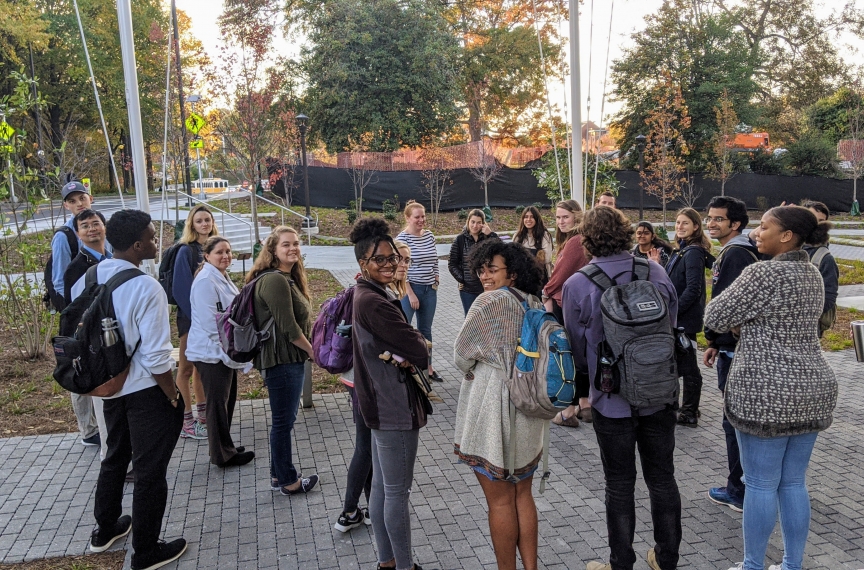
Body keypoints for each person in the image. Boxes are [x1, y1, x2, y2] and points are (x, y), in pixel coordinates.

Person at [705, 206, 837, 570]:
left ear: (787, 236)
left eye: (764, 227)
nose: (756, 233)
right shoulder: (812, 272)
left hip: (766, 393)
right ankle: (792, 565)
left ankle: (752, 565)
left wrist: (741, 325)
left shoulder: (761, 273)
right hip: (814, 387)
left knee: (761, 485)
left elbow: (714, 316)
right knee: (794, 483)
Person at [561, 206, 681, 570]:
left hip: (610, 398)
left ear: (587, 239)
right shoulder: (655, 271)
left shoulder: (579, 284)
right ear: (628, 233)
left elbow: (576, 348)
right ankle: (666, 558)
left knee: (619, 484)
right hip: (659, 393)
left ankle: (621, 562)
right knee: (662, 478)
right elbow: (670, 325)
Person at [72, 209, 187, 570]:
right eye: (152, 237)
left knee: (115, 457)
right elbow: (155, 358)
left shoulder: (89, 276)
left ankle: (105, 529)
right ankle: (147, 552)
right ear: (137, 245)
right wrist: (172, 395)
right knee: (150, 473)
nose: (156, 242)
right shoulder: (146, 287)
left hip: (107, 387)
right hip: (143, 391)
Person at [454, 239, 547, 570]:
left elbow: (461, 356)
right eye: (480, 269)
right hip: (529, 410)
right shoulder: (533, 301)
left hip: (495, 412)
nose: (484, 275)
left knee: (500, 501)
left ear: (513, 273)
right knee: (523, 495)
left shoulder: (488, 302)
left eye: (492, 269)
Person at [351, 218, 431, 570]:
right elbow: (419, 347)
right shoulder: (374, 301)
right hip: (392, 405)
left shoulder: (366, 293)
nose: (388, 264)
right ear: (362, 264)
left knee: (383, 488)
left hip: (377, 402)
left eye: (392, 258)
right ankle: (405, 565)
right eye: (379, 259)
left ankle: (387, 561)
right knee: (396, 493)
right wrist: (418, 343)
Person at [333, 239, 412, 534]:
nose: (397, 264)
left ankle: (364, 507)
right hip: (363, 381)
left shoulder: (380, 289)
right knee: (365, 447)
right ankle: (350, 510)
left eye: (401, 259)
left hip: (362, 378)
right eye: (389, 259)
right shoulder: (370, 294)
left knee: (367, 447)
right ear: (365, 264)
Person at [247, 226, 319, 496]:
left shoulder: (286, 278)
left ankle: (278, 476)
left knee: (283, 421)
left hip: (286, 360)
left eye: (296, 244)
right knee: (282, 423)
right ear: (273, 250)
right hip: (282, 361)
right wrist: (313, 352)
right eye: (286, 245)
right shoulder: (274, 280)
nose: (293, 249)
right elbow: (289, 329)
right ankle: (289, 481)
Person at [702, 196, 759, 513]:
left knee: (734, 422)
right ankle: (744, 485)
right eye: (709, 218)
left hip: (735, 353)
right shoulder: (741, 250)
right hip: (730, 347)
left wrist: (715, 335)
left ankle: (738, 489)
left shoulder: (736, 254)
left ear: (735, 223)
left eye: (718, 219)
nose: (711, 223)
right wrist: (714, 341)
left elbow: (725, 305)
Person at [186, 236, 254, 468]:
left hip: (223, 350)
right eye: (219, 252)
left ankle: (226, 446)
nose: (225, 256)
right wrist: (231, 354)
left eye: (228, 251)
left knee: (227, 402)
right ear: (207, 255)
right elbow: (210, 324)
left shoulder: (220, 276)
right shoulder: (206, 280)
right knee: (217, 405)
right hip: (212, 352)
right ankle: (221, 455)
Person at [63, 208, 111, 453]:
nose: (92, 229)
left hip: (114, 338)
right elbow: (75, 310)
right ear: (78, 233)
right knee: (102, 401)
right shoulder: (77, 267)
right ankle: (107, 448)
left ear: (105, 227)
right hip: (93, 341)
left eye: (96, 223)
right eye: (85, 226)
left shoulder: (113, 259)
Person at [173, 204, 219, 440]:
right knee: (186, 368)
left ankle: (204, 416)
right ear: (192, 224)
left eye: (207, 220)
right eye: (199, 220)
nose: (204, 224)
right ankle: (186, 420)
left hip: (209, 320)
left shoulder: (215, 248)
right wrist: (197, 318)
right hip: (190, 319)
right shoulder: (186, 251)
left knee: (202, 367)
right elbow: (180, 290)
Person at [542, 199, 590, 427]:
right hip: (577, 303)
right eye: (558, 217)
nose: (561, 221)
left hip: (567, 304)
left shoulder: (575, 242)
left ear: (576, 216)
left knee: (567, 355)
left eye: (565, 217)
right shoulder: (578, 239)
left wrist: (546, 292)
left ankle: (569, 409)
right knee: (579, 354)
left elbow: (560, 275)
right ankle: (584, 403)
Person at [665, 209, 713, 427]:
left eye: (685, 223)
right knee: (681, 363)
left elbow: (693, 289)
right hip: (679, 318)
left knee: (689, 366)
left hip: (685, 319)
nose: (680, 226)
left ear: (696, 226)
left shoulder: (693, 252)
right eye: (677, 222)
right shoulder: (682, 250)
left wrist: (674, 312)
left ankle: (690, 411)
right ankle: (682, 407)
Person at [397, 201, 443, 382]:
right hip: (411, 289)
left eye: (423, 216)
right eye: (417, 217)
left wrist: (437, 278)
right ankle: (403, 365)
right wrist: (410, 293)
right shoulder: (403, 238)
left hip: (429, 289)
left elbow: (435, 259)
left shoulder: (429, 235)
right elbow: (401, 267)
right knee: (404, 327)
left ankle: (427, 366)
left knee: (426, 330)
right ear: (408, 218)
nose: (421, 220)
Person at [50, 181, 95, 313]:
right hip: (83, 309)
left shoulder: (103, 228)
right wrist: (80, 309)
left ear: (90, 198)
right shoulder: (63, 237)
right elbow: (60, 281)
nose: (79, 204)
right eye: (72, 201)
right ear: (66, 205)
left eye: (82, 198)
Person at [448, 208, 498, 314]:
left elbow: (501, 251)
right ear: (468, 222)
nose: (475, 226)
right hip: (468, 290)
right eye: (473, 222)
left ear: (483, 224)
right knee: (471, 319)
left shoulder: (487, 238)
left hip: (486, 287)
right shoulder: (460, 240)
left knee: (488, 318)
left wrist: (491, 235)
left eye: (479, 223)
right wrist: (462, 279)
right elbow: (452, 264)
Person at [801, 200, 839, 338]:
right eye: (812, 219)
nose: (816, 225)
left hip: (808, 330)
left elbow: (829, 297)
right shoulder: (784, 247)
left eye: (821, 221)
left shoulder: (824, 258)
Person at [512, 206, 554, 280]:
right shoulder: (517, 236)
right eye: (526, 217)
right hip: (521, 275)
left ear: (537, 219)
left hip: (540, 276)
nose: (528, 219)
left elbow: (547, 258)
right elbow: (512, 256)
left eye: (532, 217)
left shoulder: (544, 235)